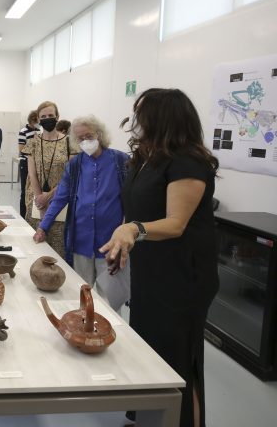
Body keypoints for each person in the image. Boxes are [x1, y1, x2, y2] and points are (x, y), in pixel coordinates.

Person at [99, 88, 219, 427]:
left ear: (164, 118)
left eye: (143, 113)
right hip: (151, 270)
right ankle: (151, 419)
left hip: (183, 276)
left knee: (178, 361)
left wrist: (134, 230)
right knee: (151, 351)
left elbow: (176, 223)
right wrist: (122, 243)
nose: (137, 121)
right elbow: (136, 209)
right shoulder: (147, 159)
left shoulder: (188, 162)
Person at [33, 115, 130, 311]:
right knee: (82, 294)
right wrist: (43, 227)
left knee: (109, 302)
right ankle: (84, 332)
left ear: (99, 135)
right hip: (81, 241)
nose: (85, 141)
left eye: (89, 136)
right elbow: (60, 198)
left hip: (110, 242)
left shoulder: (120, 161)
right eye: (80, 138)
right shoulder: (75, 166)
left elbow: (133, 198)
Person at [22, 100, 72, 258]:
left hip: (61, 200)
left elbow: (69, 176)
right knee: (34, 246)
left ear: (57, 116)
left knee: (57, 247)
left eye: (51, 115)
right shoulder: (32, 142)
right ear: (38, 118)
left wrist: (49, 196)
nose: (47, 118)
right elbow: (32, 173)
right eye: (43, 116)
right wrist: (40, 199)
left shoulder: (70, 142)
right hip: (35, 200)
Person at [18, 111, 39, 217]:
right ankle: (22, 215)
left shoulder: (39, 131)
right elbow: (21, 149)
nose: (38, 122)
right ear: (32, 120)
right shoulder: (23, 131)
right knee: (24, 191)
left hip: (37, 163)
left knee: (34, 190)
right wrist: (33, 141)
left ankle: (31, 214)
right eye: (37, 120)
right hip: (25, 162)